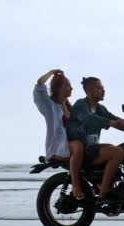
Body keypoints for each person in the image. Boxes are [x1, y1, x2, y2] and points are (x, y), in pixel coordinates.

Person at [66, 76, 124, 201]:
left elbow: (116, 120)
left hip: (92, 149)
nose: (103, 91)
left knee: (120, 149)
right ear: (89, 90)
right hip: (82, 150)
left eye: (103, 88)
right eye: (99, 88)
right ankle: (104, 193)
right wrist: (112, 123)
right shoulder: (81, 105)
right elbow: (89, 118)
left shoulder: (100, 109)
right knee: (117, 152)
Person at [33, 69, 87, 200]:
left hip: (71, 144)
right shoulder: (49, 106)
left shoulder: (69, 107)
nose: (71, 88)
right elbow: (39, 85)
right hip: (59, 148)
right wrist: (51, 72)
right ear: (58, 88)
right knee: (78, 146)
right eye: (68, 86)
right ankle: (75, 185)